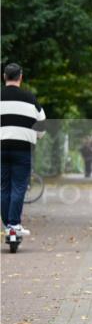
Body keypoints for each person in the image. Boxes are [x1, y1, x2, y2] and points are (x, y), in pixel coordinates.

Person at [1, 63, 46, 236]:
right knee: (19, 186)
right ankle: (14, 224)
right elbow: (42, 126)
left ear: (4, 77)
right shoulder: (30, 99)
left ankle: (8, 226)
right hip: (22, 150)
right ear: (21, 77)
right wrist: (37, 136)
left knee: (3, 187)